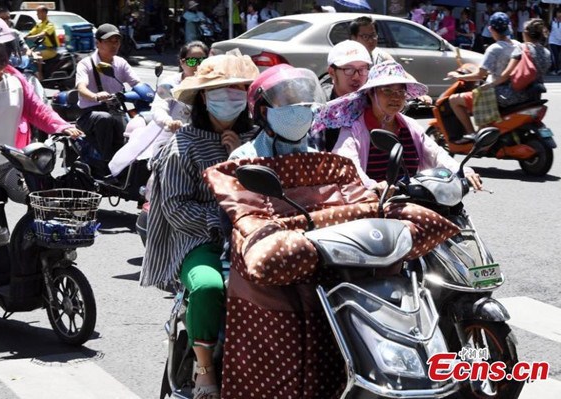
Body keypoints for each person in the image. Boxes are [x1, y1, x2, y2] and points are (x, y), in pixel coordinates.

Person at [204, 63, 462, 399]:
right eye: (287, 104)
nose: (299, 111)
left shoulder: (323, 158)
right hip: (268, 264)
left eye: (303, 103)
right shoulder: (245, 159)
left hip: (326, 260)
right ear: (264, 112)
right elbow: (240, 219)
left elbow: (353, 199)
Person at [139, 51, 259, 399]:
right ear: (203, 97)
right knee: (208, 288)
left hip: (256, 235)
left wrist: (241, 155)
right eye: (221, 89)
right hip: (199, 241)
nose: (230, 95)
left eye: (238, 88)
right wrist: (220, 223)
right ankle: (205, 370)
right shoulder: (182, 144)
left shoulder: (258, 138)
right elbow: (176, 208)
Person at [0, 15, 81, 316]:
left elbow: (39, 110)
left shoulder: (16, 79)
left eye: (7, 49)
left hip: (11, 162)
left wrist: (63, 126)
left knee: (46, 202)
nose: (2, 57)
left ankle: (48, 259)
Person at [315, 61, 483, 191]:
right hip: (373, 205)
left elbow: (436, 155)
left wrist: (462, 171)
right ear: (371, 94)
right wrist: (372, 186)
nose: (395, 97)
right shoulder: (354, 129)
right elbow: (347, 163)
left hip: (411, 199)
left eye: (400, 92)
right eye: (387, 91)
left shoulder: (410, 126)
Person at [108, 41, 210, 176]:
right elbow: (159, 107)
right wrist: (168, 122)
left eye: (203, 61)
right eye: (192, 61)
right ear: (182, 63)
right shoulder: (170, 84)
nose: (197, 65)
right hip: (172, 135)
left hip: (206, 136)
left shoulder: (213, 84)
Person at [75, 23, 141, 178]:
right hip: (89, 115)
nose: (114, 45)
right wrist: (95, 96)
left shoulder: (120, 63)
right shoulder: (85, 64)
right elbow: (81, 87)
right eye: (109, 41)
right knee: (105, 119)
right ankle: (105, 163)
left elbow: (137, 83)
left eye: (116, 41)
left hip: (115, 110)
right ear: (97, 43)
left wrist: (156, 92)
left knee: (135, 124)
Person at [447, 12, 520, 141]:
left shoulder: (494, 48)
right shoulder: (517, 44)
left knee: (454, 100)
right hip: (512, 90)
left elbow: (480, 75)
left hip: (495, 90)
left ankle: (472, 133)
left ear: (491, 29)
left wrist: (458, 76)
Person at [315, 40, 372, 151]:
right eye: (348, 69)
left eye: (362, 69)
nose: (356, 76)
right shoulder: (320, 106)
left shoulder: (374, 101)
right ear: (332, 72)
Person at [481, 18, 550, 108]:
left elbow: (506, 74)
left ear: (525, 33)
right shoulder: (547, 53)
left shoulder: (522, 48)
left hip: (514, 95)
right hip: (535, 96)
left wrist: (490, 85)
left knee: (483, 94)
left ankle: (489, 122)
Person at [24, 5, 58, 79]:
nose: (37, 14)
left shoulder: (49, 24)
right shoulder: (39, 24)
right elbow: (31, 32)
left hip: (51, 50)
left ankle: (40, 75)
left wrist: (30, 37)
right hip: (42, 47)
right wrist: (24, 37)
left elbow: (43, 34)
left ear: (44, 13)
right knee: (27, 53)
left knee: (36, 55)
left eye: (38, 13)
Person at [549, 8, 561, 75]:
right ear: (555, 13)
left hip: (560, 41)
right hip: (553, 41)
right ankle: (557, 69)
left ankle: (554, 68)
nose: (559, 14)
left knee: (558, 56)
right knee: (555, 55)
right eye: (558, 12)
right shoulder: (552, 21)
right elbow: (548, 31)